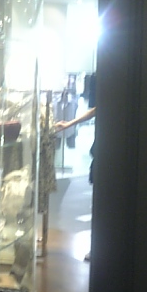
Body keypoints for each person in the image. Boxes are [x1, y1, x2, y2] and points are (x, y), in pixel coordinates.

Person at [55, 106, 96, 261]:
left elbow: (95, 111)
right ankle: (97, 248)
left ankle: (99, 248)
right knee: (98, 205)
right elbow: (95, 111)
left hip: (107, 157)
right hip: (101, 156)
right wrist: (70, 124)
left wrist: (70, 124)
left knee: (101, 205)